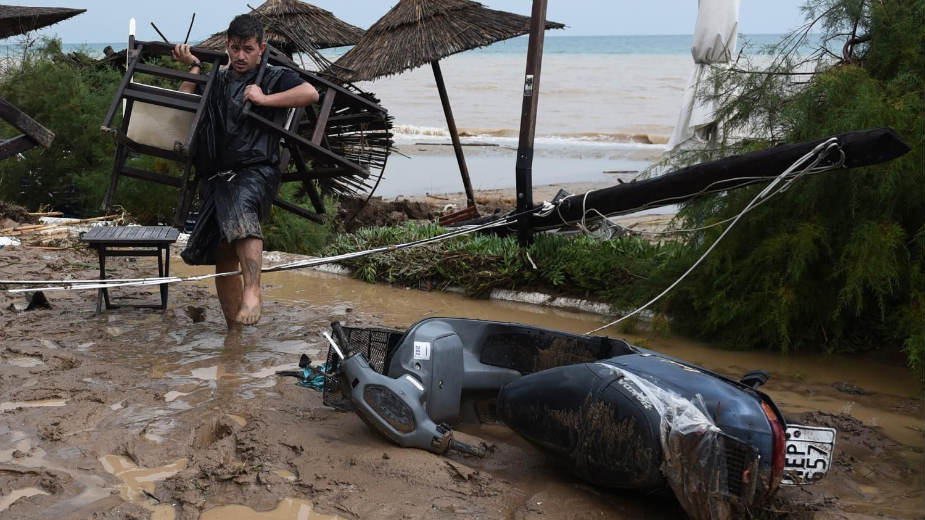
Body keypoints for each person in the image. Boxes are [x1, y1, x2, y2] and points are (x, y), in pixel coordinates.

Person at [172, 14, 319, 327]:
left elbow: (310, 93)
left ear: (261, 48)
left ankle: (254, 290)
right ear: (227, 46)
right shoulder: (219, 77)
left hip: (256, 170)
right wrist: (195, 66)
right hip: (216, 175)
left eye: (248, 49)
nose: (240, 55)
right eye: (235, 48)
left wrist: (265, 98)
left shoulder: (273, 76)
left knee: (242, 210)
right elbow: (184, 101)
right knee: (223, 255)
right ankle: (234, 331)